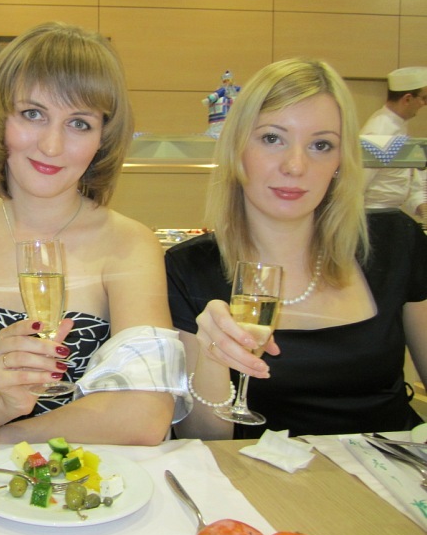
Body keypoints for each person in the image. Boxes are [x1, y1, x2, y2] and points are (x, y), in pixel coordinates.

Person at [0, 22, 191, 446]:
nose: (52, 146)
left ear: (103, 138)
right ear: (0, 118)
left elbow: (145, 414)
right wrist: (1, 403)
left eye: (79, 123)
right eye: (33, 114)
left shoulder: (130, 244)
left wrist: (3, 439)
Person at [166, 57, 427, 440]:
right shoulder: (189, 268)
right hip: (259, 475)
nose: (295, 166)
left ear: (340, 161)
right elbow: (205, 441)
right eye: (272, 139)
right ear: (237, 148)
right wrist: (211, 356)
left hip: (394, 468)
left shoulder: (395, 241)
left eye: (321, 145)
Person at [360, 66, 427, 224]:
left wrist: (421, 206)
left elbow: (406, 178)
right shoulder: (379, 132)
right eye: (424, 98)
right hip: (374, 217)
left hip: (390, 214)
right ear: (407, 99)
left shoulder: (398, 126)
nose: (424, 104)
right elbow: (357, 186)